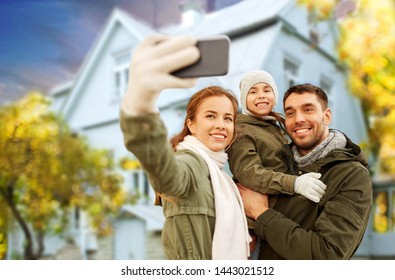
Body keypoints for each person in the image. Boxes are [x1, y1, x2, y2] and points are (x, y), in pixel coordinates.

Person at [119, 34, 251, 260]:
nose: (221, 125)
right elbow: (165, 173)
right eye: (211, 116)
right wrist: (140, 104)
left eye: (228, 118)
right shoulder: (190, 163)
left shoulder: (220, 174)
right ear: (191, 124)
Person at [237, 83, 372, 259]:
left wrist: (260, 212)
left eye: (308, 110)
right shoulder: (274, 161)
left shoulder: (352, 176)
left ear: (327, 116)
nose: (298, 119)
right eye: (290, 113)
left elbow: (326, 255)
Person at [226, 70, 327, 258]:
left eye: (267, 90)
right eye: (253, 91)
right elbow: (249, 173)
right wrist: (294, 183)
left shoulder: (274, 125)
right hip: (254, 226)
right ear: (243, 99)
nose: (261, 95)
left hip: (277, 216)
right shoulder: (242, 130)